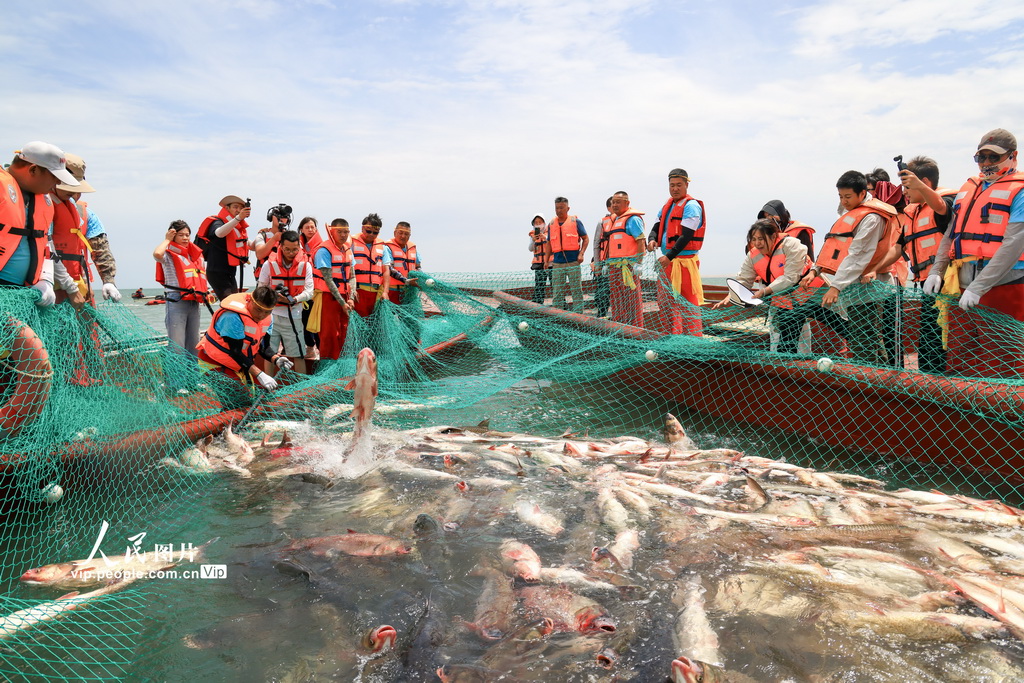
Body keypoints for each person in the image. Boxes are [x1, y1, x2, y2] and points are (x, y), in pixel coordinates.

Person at [926, 129, 1024, 378]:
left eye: (994, 157)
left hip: (1004, 286)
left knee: (1002, 362)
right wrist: (936, 271)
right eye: (981, 157)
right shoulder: (969, 188)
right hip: (960, 285)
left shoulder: (1020, 191)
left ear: (1013, 157)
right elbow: (950, 233)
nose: (987, 163)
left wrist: (978, 287)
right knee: (960, 358)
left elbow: (1014, 244)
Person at [801, 170, 899, 366]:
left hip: (868, 287)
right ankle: (877, 373)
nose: (843, 201)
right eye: (840, 196)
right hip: (850, 285)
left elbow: (858, 255)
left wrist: (835, 287)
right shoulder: (851, 214)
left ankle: (872, 379)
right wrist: (815, 271)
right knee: (861, 333)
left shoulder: (872, 218)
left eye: (848, 197)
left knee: (865, 335)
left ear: (862, 194)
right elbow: (834, 246)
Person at [867, 156, 955, 374]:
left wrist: (921, 187)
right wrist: (873, 269)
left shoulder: (946, 202)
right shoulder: (912, 213)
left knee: (940, 341)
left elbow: (942, 208)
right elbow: (898, 248)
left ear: (923, 182)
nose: (904, 193)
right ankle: (928, 384)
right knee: (926, 343)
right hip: (925, 284)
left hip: (946, 285)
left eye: (907, 187)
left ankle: (943, 387)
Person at [713, 219, 814, 353]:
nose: (757, 243)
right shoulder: (753, 255)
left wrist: (764, 291)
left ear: (773, 236)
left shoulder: (791, 245)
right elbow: (744, 278)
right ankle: (789, 368)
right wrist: (732, 294)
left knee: (838, 325)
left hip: (812, 297)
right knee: (786, 343)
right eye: (754, 239)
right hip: (785, 302)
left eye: (761, 238)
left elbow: (790, 277)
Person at [0, 141, 80, 307]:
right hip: (2, 289)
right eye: (54, 177)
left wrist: (46, 280)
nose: (58, 183)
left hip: (25, 292)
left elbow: (46, 244)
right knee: (27, 335)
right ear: (33, 169)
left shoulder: (44, 201)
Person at [197, 285, 290, 408]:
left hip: (240, 365)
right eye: (258, 309)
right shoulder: (232, 316)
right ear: (250, 300)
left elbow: (263, 347)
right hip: (214, 363)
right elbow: (235, 352)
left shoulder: (268, 317)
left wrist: (276, 358)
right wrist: (260, 374)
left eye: (267, 311)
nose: (262, 315)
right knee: (240, 402)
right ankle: (228, 426)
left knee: (266, 397)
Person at [648, 169, 705, 336]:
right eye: (672, 185)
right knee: (666, 301)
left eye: (679, 185)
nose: (675, 189)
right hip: (668, 262)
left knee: (687, 302)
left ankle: (693, 340)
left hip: (684, 262)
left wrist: (670, 255)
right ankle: (672, 335)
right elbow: (657, 226)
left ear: (686, 185)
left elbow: (687, 235)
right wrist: (652, 239)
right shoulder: (668, 205)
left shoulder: (691, 206)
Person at [153, 220, 210, 390]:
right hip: (176, 301)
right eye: (181, 235)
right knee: (176, 345)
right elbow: (157, 254)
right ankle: (175, 384)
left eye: (187, 235)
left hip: (193, 301)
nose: (185, 238)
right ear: (173, 235)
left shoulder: (192, 255)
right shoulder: (169, 254)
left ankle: (193, 382)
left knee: (193, 344)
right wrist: (167, 239)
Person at [58, 153, 121, 303]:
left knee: (86, 324)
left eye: (77, 189)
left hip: (80, 283)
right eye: (69, 188)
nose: (73, 194)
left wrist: (108, 281)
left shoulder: (87, 214)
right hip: (46, 285)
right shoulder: (37, 206)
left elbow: (101, 249)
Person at [257, 230, 313, 376]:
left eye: (295, 249)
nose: (291, 252)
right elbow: (260, 288)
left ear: (299, 247)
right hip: (271, 316)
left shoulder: (306, 265)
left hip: (294, 316)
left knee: (298, 354)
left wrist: (294, 299)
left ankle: (301, 391)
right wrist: (274, 297)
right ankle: (267, 389)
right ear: (280, 246)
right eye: (287, 249)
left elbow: (310, 291)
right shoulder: (268, 265)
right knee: (270, 353)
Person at [311, 219, 356, 360]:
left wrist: (351, 298)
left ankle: (343, 363)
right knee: (329, 333)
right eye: (340, 232)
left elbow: (352, 276)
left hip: (346, 298)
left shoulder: (348, 250)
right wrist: (343, 303)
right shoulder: (324, 251)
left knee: (345, 331)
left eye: (346, 232)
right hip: (328, 297)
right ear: (332, 231)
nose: (343, 235)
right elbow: (328, 279)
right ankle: (327, 364)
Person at [196, 195, 251, 300]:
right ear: (227, 208)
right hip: (217, 272)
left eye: (240, 208)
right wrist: (238, 218)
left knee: (235, 300)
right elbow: (219, 233)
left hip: (230, 272)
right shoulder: (217, 222)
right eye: (235, 207)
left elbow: (250, 245)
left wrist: (269, 235)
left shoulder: (236, 227)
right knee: (230, 302)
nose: (238, 210)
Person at [604, 191, 646, 326]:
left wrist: (638, 263)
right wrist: (606, 263)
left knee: (631, 299)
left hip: (628, 267)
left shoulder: (632, 219)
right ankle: (620, 328)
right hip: (614, 267)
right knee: (617, 299)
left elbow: (640, 241)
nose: (614, 205)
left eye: (618, 202)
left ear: (627, 203)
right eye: (613, 202)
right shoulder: (614, 220)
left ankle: (636, 329)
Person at [544, 197, 589, 312]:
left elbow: (586, 239)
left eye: (561, 208)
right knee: (557, 292)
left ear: (567, 208)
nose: (559, 210)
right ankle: (558, 317)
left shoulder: (575, 222)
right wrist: (546, 260)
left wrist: (582, 253)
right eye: (557, 208)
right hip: (557, 263)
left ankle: (579, 315)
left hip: (573, 261)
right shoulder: (551, 224)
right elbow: (549, 243)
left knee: (576, 290)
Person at [351, 213, 390, 318]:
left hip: (376, 293)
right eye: (368, 231)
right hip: (358, 292)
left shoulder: (383, 247)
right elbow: (347, 268)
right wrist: (351, 290)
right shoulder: (351, 244)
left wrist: (385, 292)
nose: (371, 234)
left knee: (374, 326)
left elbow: (386, 270)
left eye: (375, 232)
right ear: (362, 228)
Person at [296, 217, 323, 360]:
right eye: (307, 227)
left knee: (317, 322)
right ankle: (310, 348)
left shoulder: (323, 247)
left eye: (313, 227)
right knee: (304, 320)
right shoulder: (296, 245)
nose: (310, 230)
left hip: (317, 291)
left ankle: (321, 350)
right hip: (302, 290)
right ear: (301, 229)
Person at [383, 222, 421, 305]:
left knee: (409, 316)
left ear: (409, 236)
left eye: (406, 234)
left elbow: (418, 267)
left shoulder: (413, 249)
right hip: (392, 290)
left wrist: (420, 279)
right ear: (395, 233)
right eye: (400, 233)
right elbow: (389, 268)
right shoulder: (387, 247)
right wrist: (406, 281)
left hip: (409, 291)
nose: (403, 236)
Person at [591, 197, 613, 318]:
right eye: (613, 204)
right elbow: (596, 244)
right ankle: (602, 314)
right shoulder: (602, 222)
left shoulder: (625, 221)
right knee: (602, 292)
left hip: (619, 264)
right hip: (604, 264)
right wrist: (598, 264)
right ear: (608, 208)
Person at [528, 214, 549, 304]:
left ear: (544, 223)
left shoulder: (550, 232)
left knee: (555, 285)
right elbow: (530, 248)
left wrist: (545, 237)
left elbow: (553, 243)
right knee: (539, 286)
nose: (538, 224)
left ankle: (561, 307)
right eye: (536, 223)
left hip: (550, 263)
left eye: (540, 222)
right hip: (539, 264)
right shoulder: (532, 234)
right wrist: (533, 240)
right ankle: (537, 306)